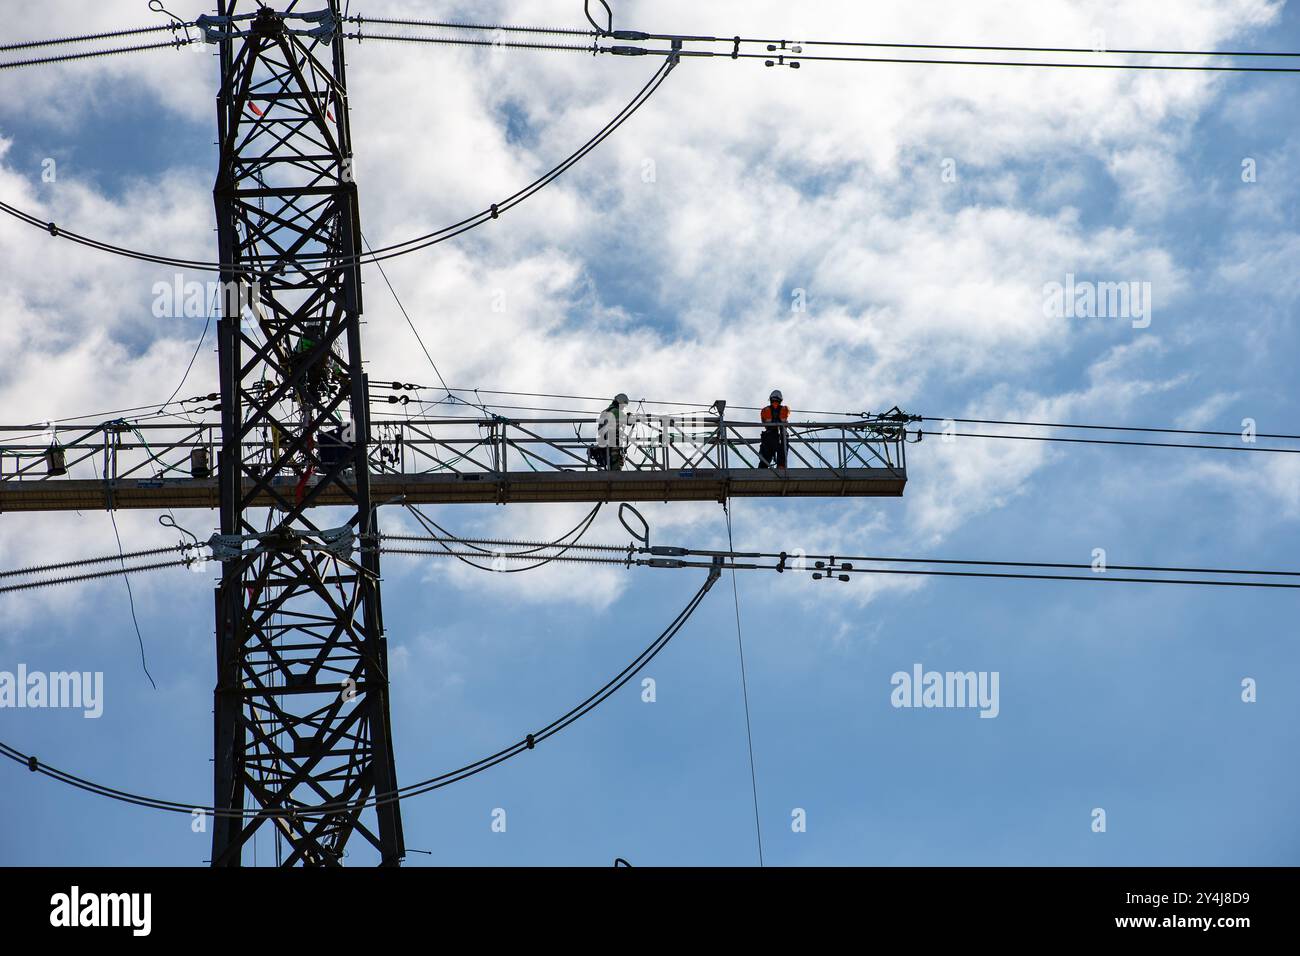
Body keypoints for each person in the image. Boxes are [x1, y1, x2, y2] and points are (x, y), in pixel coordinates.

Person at [594, 393, 630, 470]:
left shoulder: (605, 411)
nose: (623, 408)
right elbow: (629, 421)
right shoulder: (615, 411)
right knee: (616, 465)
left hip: (604, 441)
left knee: (610, 462)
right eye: (623, 405)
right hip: (613, 441)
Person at [759, 388, 789, 469]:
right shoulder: (784, 409)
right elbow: (784, 424)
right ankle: (781, 466)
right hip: (779, 436)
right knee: (783, 445)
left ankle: (762, 469)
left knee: (766, 454)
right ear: (780, 400)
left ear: (771, 399)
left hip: (768, 436)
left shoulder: (765, 410)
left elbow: (764, 423)